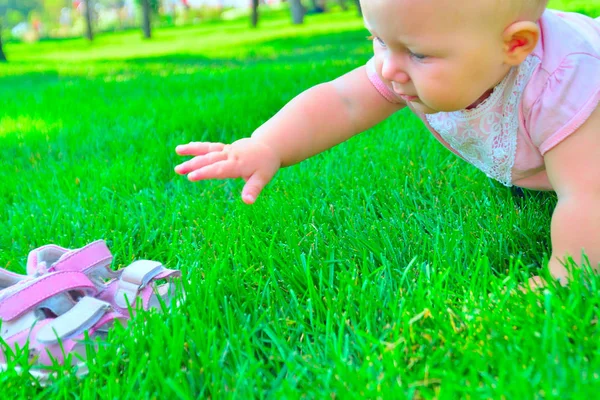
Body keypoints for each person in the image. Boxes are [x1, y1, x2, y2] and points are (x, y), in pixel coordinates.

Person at [174, 0, 600, 287]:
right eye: (377, 40)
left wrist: (567, 275)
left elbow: (589, 196)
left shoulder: (564, 84)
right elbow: (343, 101)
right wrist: (266, 145)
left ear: (514, 45)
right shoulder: (409, 62)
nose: (388, 67)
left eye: (417, 53)